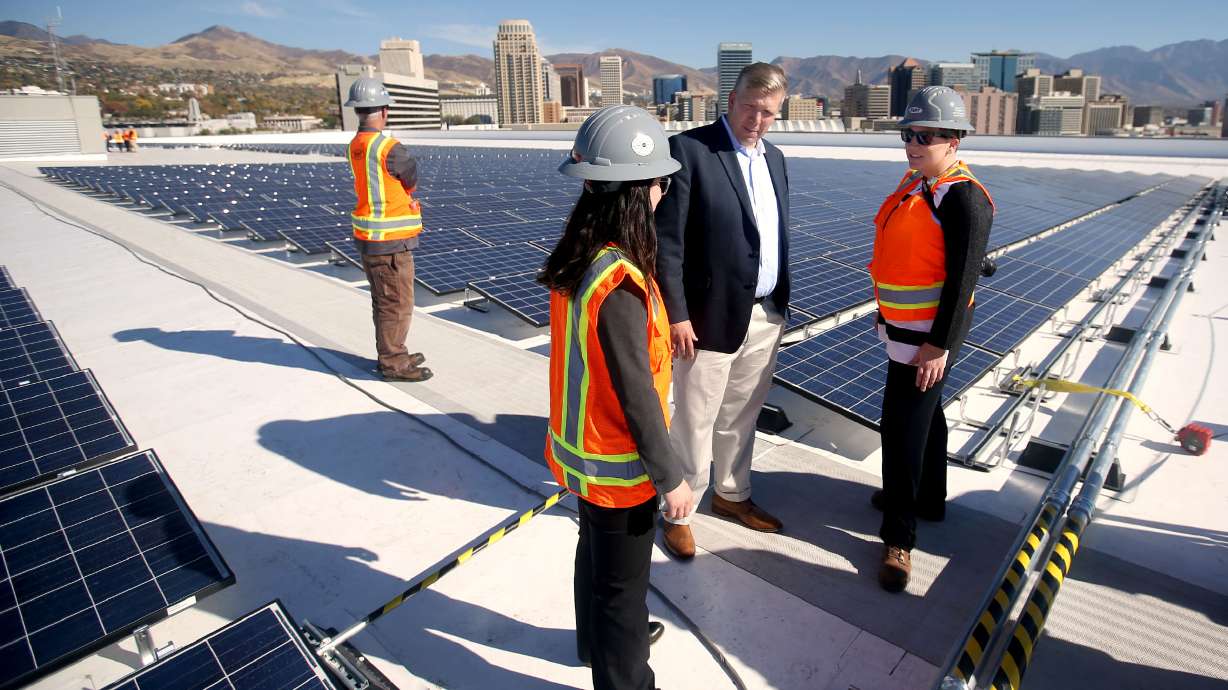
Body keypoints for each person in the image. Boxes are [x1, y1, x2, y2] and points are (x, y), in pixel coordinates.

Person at [542, 105, 694, 690]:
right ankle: (623, 672)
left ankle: (594, 645)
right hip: (618, 464)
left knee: (597, 567)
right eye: (657, 181)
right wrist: (671, 478)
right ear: (635, 192)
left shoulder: (584, 254)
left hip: (584, 453)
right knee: (624, 594)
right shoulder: (620, 283)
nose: (662, 191)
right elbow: (637, 396)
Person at [652, 62, 791, 559]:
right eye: (751, 107)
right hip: (705, 317)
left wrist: (778, 303)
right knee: (694, 418)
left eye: (769, 112)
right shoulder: (689, 150)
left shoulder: (774, 158)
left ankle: (732, 496)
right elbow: (665, 242)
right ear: (731, 101)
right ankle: (680, 512)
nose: (758, 119)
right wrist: (677, 314)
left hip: (764, 314)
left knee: (741, 413)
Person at [867, 86, 994, 592]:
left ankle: (899, 538)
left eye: (926, 135)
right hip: (903, 335)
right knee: (927, 420)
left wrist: (939, 346)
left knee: (899, 432)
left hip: (926, 343)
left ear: (954, 140)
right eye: (908, 134)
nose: (913, 144)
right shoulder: (920, 184)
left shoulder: (964, 198)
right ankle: (930, 498)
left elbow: (962, 283)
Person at [343, 77, 432, 382]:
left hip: (372, 239)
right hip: (390, 244)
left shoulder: (356, 145)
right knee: (396, 304)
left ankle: (394, 350)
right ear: (383, 110)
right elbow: (410, 178)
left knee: (385, 301)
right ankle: (394, 362)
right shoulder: (388, 147)